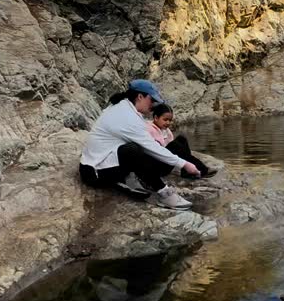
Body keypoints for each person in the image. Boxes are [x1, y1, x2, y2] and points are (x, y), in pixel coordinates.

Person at [79, 79, 201, 209]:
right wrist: (184, 164)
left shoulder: (121, 106)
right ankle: (164, 193)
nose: (153, 104)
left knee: (137, 151)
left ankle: (132, 179)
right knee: (133, 150)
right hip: (94, 173)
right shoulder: (127, 117)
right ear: (140, 96)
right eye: (151, 100)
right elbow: (152, 147)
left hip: (102, 162)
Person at [146, 104, 218, 178]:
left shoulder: (166, 130)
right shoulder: (149, 129)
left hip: (165, 161)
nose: (168, 123)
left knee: (181, 139)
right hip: (155, 166)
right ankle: (202, 169)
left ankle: (186, 171)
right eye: (165, 120)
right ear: (156, 118)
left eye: (170, 120)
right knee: (175, 145)